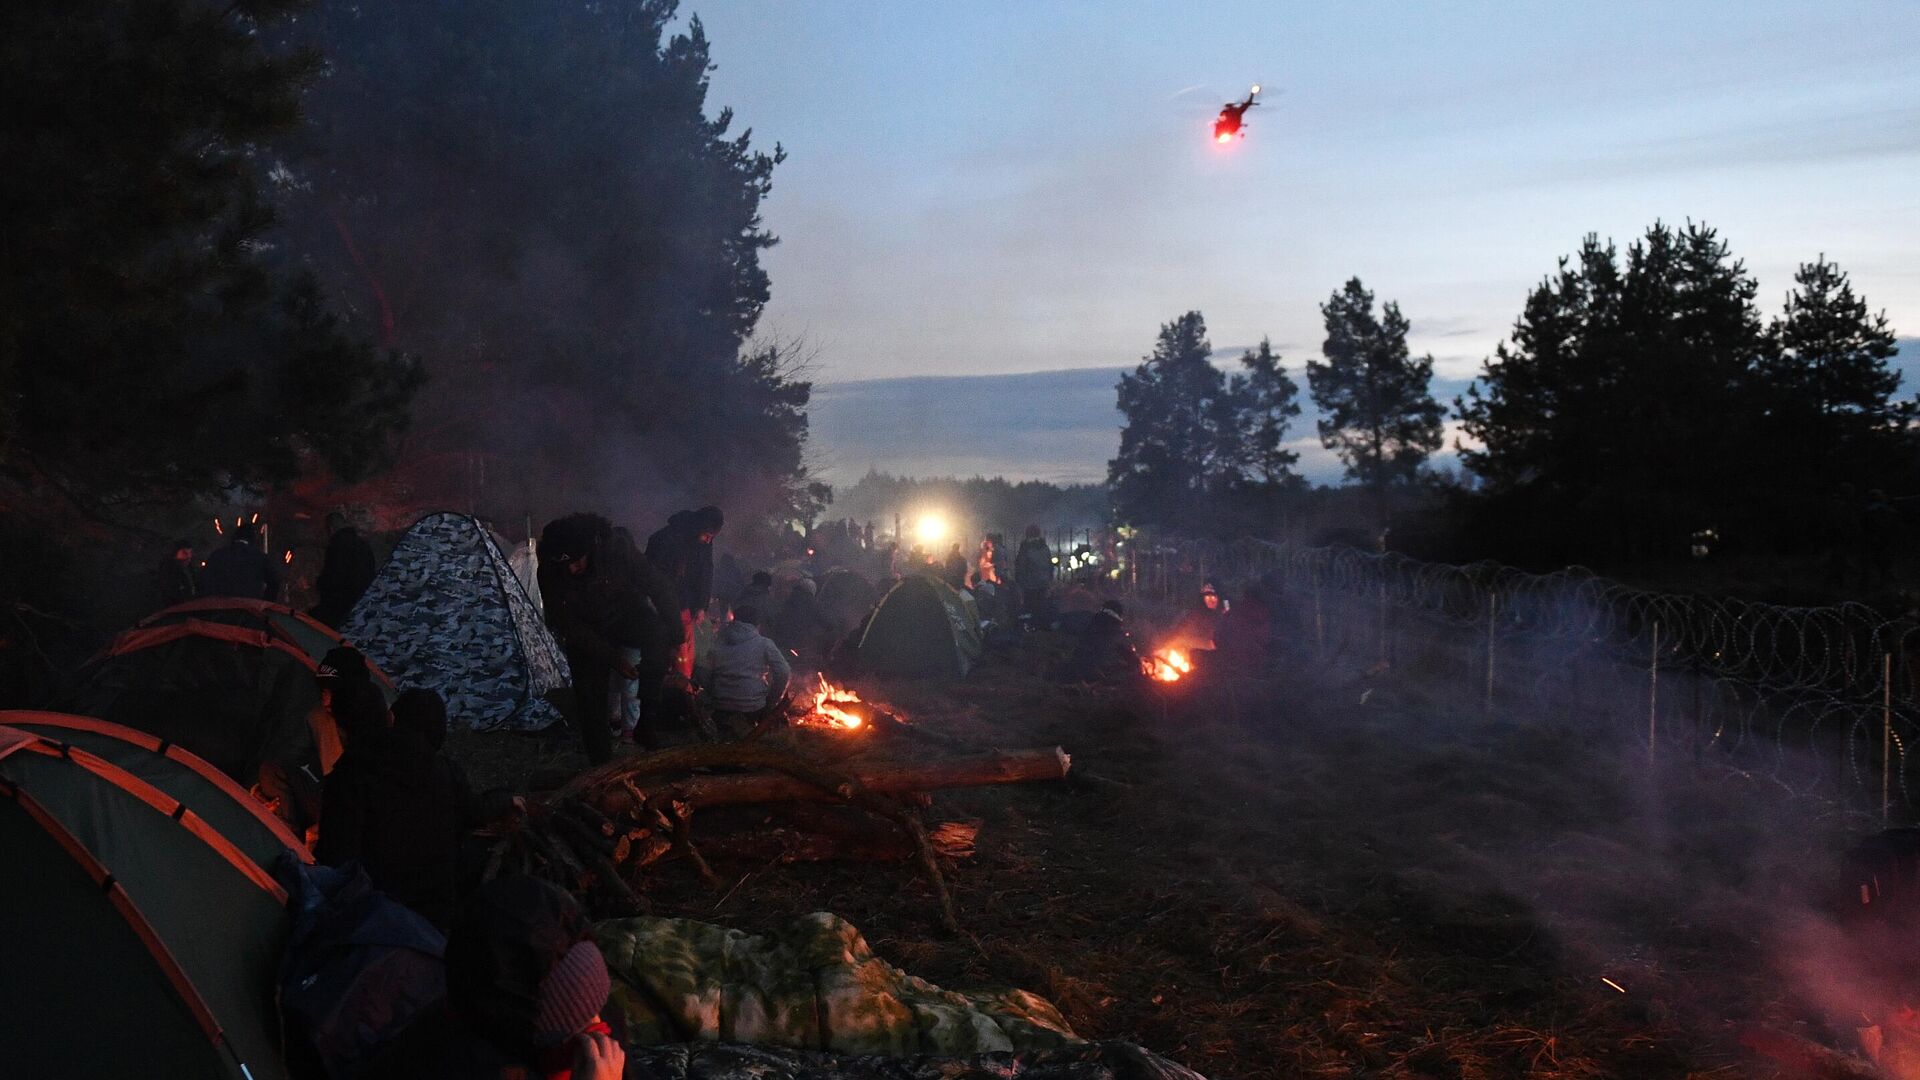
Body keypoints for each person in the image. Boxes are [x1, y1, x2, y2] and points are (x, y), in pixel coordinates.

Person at [364, 876, 624, 1080]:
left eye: (597, 1005)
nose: (599, 1029)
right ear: (522, 1029)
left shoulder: (548, 1033)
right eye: (573, 1025)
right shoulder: (462, 1066)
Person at [315, 678, 465, 927]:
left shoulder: (351, 773)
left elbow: (335, 860)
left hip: (374, 919)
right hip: (435, 916)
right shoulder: (445, 771)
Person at [538, 514, 651, 764]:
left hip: (619, 622)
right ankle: (601, 764)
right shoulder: (550, 566)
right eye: (563, 563)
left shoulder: (614, 554)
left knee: (630, 684)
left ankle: (640, 738)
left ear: (589, 550)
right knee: (590, 699)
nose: (570, 569)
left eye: (576, 562)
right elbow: (566, 622)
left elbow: (647, 588)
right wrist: (611, 657)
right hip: (584, 637)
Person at [646, 506, 724, 680]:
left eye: (712, 537)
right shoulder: (664, 539)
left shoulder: (703, 542)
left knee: (684, 656)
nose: (709, 540)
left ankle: (682, 693)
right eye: (707, 535)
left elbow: (705, 573)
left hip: (685, 607)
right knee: (663, 652)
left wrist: (701, 606)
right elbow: (653, 575)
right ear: (698, 526)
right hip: (661, 607)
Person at [695, 605, 791, 737]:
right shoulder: (764, 643)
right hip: (754, 707)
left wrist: (715, 691)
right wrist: (771, 700)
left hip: (721, 706)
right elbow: (784, 672)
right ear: (757, 624)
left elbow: (703, 672)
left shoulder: (717, 641)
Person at [311, 511, 378, 628]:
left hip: (340, 606)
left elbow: (332, 578)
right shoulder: (363, 546)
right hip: (362, 604)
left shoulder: (336, 547)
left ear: (331, 529)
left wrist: (320, 584)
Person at [200, 520, 281, 601]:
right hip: (250, 608)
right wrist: (264, 603)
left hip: (220, 607)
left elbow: (204, 581)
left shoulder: (217, 555)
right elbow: (274, 582)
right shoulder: (259, 557)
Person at [1062, 600, 1140, 682]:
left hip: (1075, 669)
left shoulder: (1087, 619)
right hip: (1098, 677)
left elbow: (1062, 624)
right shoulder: (1119, 634)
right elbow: (1135, 662)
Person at [1014, 525, 1054, 621]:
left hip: (1029, 583)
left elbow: (1020, 565)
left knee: (1030, 607)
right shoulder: (1045, 547)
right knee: (1041, 607)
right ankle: (1041, 626)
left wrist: (1019, 580)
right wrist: (1049, 579)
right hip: (1043, 582)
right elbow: (1050, 564)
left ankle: (1032, 628)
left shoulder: (1025, 547)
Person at [155, 539, 196, 608]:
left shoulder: (190, 569)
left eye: (190, 553)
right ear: (175, 553)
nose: (189, 556)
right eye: (184, 553)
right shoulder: (168, 570)